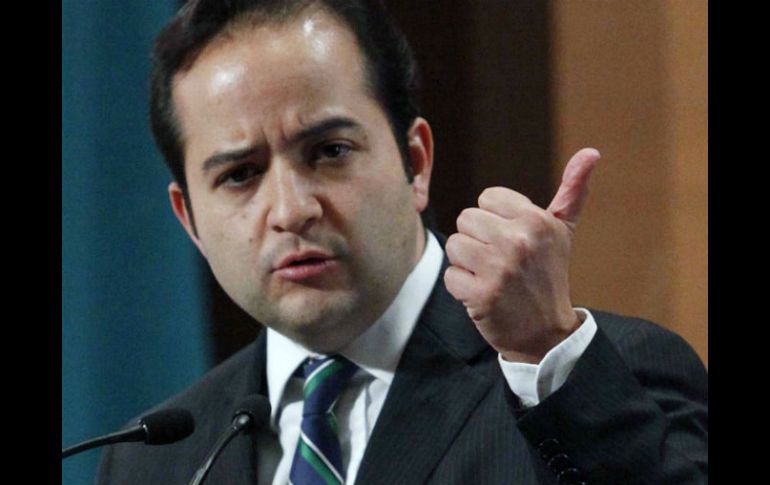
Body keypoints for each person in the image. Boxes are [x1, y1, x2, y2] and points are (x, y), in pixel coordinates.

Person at [96, 0, 708, 484]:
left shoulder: (595, 377)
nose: (291, 210)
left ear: (415, 163)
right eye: (240, 175)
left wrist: (545, 350)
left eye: (329, 151)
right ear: (190, 220)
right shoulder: (153, 460)